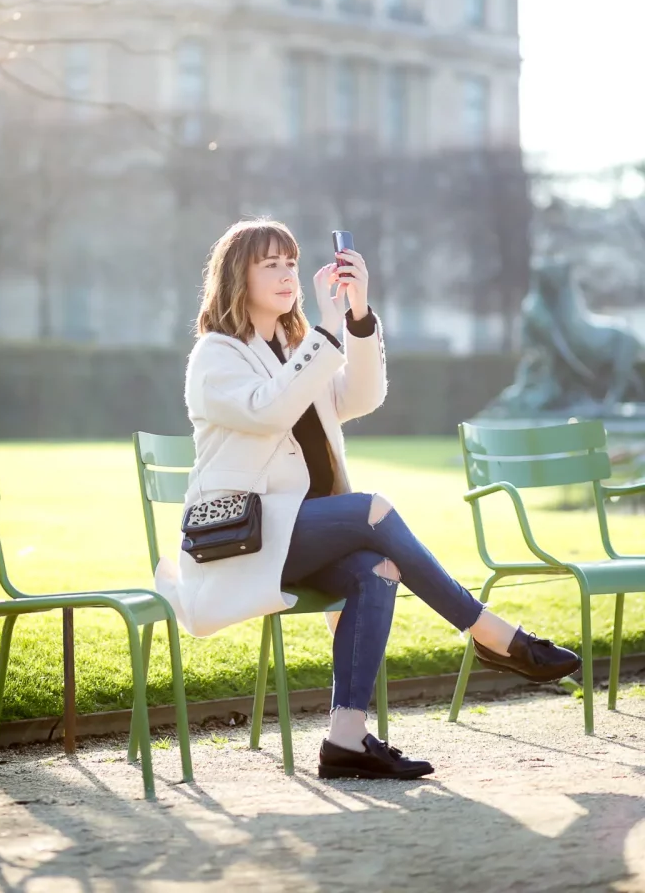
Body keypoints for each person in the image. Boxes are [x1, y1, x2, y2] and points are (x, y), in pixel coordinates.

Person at [155, 219, 580, 781]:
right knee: (372, 509)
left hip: (304, 534)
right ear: (239, 275)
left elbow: (361, 396)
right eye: (270, 265)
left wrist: (356, 317)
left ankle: (346, 739)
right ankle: (491, 634)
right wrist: (325, 335)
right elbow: (268, 411)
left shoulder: (292, 347)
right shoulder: (216, 355)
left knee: (378, 570)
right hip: (248, 541)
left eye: (290, 263)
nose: (286, 276)